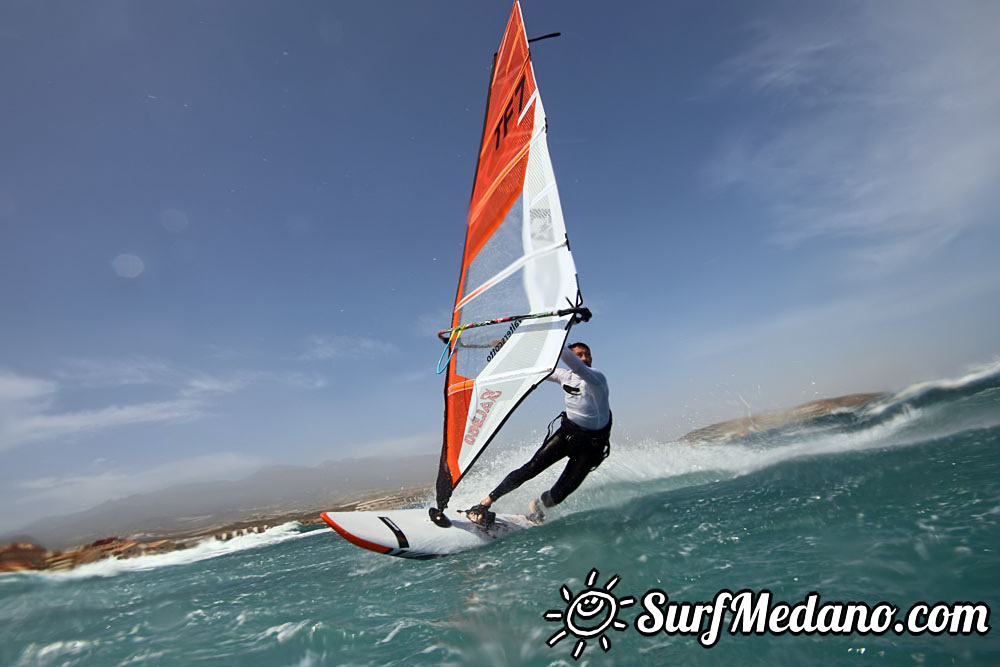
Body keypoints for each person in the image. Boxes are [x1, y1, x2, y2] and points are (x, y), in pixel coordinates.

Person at [466, 340, 611, 526]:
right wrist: (507, 345)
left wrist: (557, 337)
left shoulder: (597, 378)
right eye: (579, 354)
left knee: (559, 495)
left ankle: (538, 506)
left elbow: (575, 364)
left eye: (587, 354)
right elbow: (532, 367)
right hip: (568, 435)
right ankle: (486, 502)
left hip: (591, 447)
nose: (584, 358)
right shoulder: (564, 376)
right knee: (531, 468)